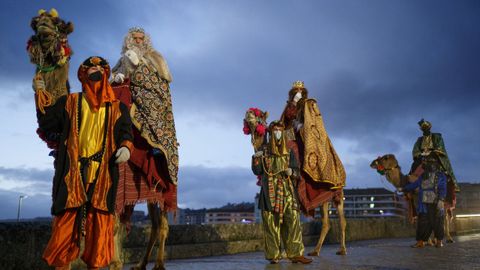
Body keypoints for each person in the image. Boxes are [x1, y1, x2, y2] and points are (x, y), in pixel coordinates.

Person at [35, 56, 133, 270]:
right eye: (91, 67)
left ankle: (95, 267)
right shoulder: (69, 102)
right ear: (83, 74)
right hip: (73, 172)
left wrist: (125, 147)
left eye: (99, 67)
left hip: (103, 174)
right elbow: (47, 122)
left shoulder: (118, 107)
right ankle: (61, 265)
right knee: (65, 223)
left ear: (106, 73)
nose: (95, 70)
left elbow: (126, 131)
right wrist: (40, 94)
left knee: (99, 225)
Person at [110, 26, 178, 219]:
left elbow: (159, 85)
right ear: (128, 40)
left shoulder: (156, 58)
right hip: (126, 104)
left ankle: (154, 146)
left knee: (150, 115)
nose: (138, 41)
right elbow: (113, 81)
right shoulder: (121, 60)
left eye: (141, 38)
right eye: (135, 38)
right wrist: (117, 78)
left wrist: (138, 68)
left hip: (149, 105)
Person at [280, 81, 346, 215]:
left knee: (299, 158)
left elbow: (314, 124)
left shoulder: (309, 104)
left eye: (299, 93)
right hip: (291, 137)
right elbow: (286, 119)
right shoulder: (290, 106)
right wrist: (293, 104)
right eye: (295, 93)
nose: (297, 96)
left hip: (304, 139)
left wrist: (302, 128)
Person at [252, 121, 312, 264]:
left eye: (280, 130)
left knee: (293, 220)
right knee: (271, 224)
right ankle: (274, 255)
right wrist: (256, 158)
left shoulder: (288, 151)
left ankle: (295, 253)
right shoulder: (265, 151)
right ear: (271, 133)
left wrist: (292, 171)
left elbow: (297, 171)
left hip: (287, 190)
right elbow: (257, 171)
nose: (278, 133)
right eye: (275, 131)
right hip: (269, 193)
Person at [402, 154, 447, 248]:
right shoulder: (422, 176)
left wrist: (441, 199)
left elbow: (443, 188)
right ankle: (420, 242)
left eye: (431, 163)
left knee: (438, 222)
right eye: (428, 163)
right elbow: (414, 185)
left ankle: (439, 241)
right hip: (424, 204)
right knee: (422, 223)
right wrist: (404, 188)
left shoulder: (441, 176)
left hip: (437, 202)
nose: (430, 165)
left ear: (435, 164)